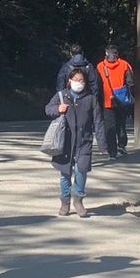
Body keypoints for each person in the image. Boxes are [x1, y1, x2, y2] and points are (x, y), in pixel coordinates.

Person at [45, 68, 107, 217]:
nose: (79, 83)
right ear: (69, 81)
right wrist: (57, 109)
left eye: (82, 80)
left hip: (84, 142)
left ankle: (78, 200)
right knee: (65, 174)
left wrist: (102, 144)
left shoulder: (91, 99)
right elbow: (48, 109)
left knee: (81, 171)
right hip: (64, 142)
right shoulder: (61, 96)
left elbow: (98, 122)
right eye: (76, 80)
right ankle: (65, 202)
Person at [96, 43, 134, 157]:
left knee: (109, 127)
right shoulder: (124, 64)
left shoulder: (100, 66)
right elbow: (131, 82)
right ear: (117, 54)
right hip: (121, 100)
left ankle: (112, 152)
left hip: (107, 101)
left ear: (106, 53)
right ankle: (121, 145)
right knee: (121, 124)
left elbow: (97, 84)